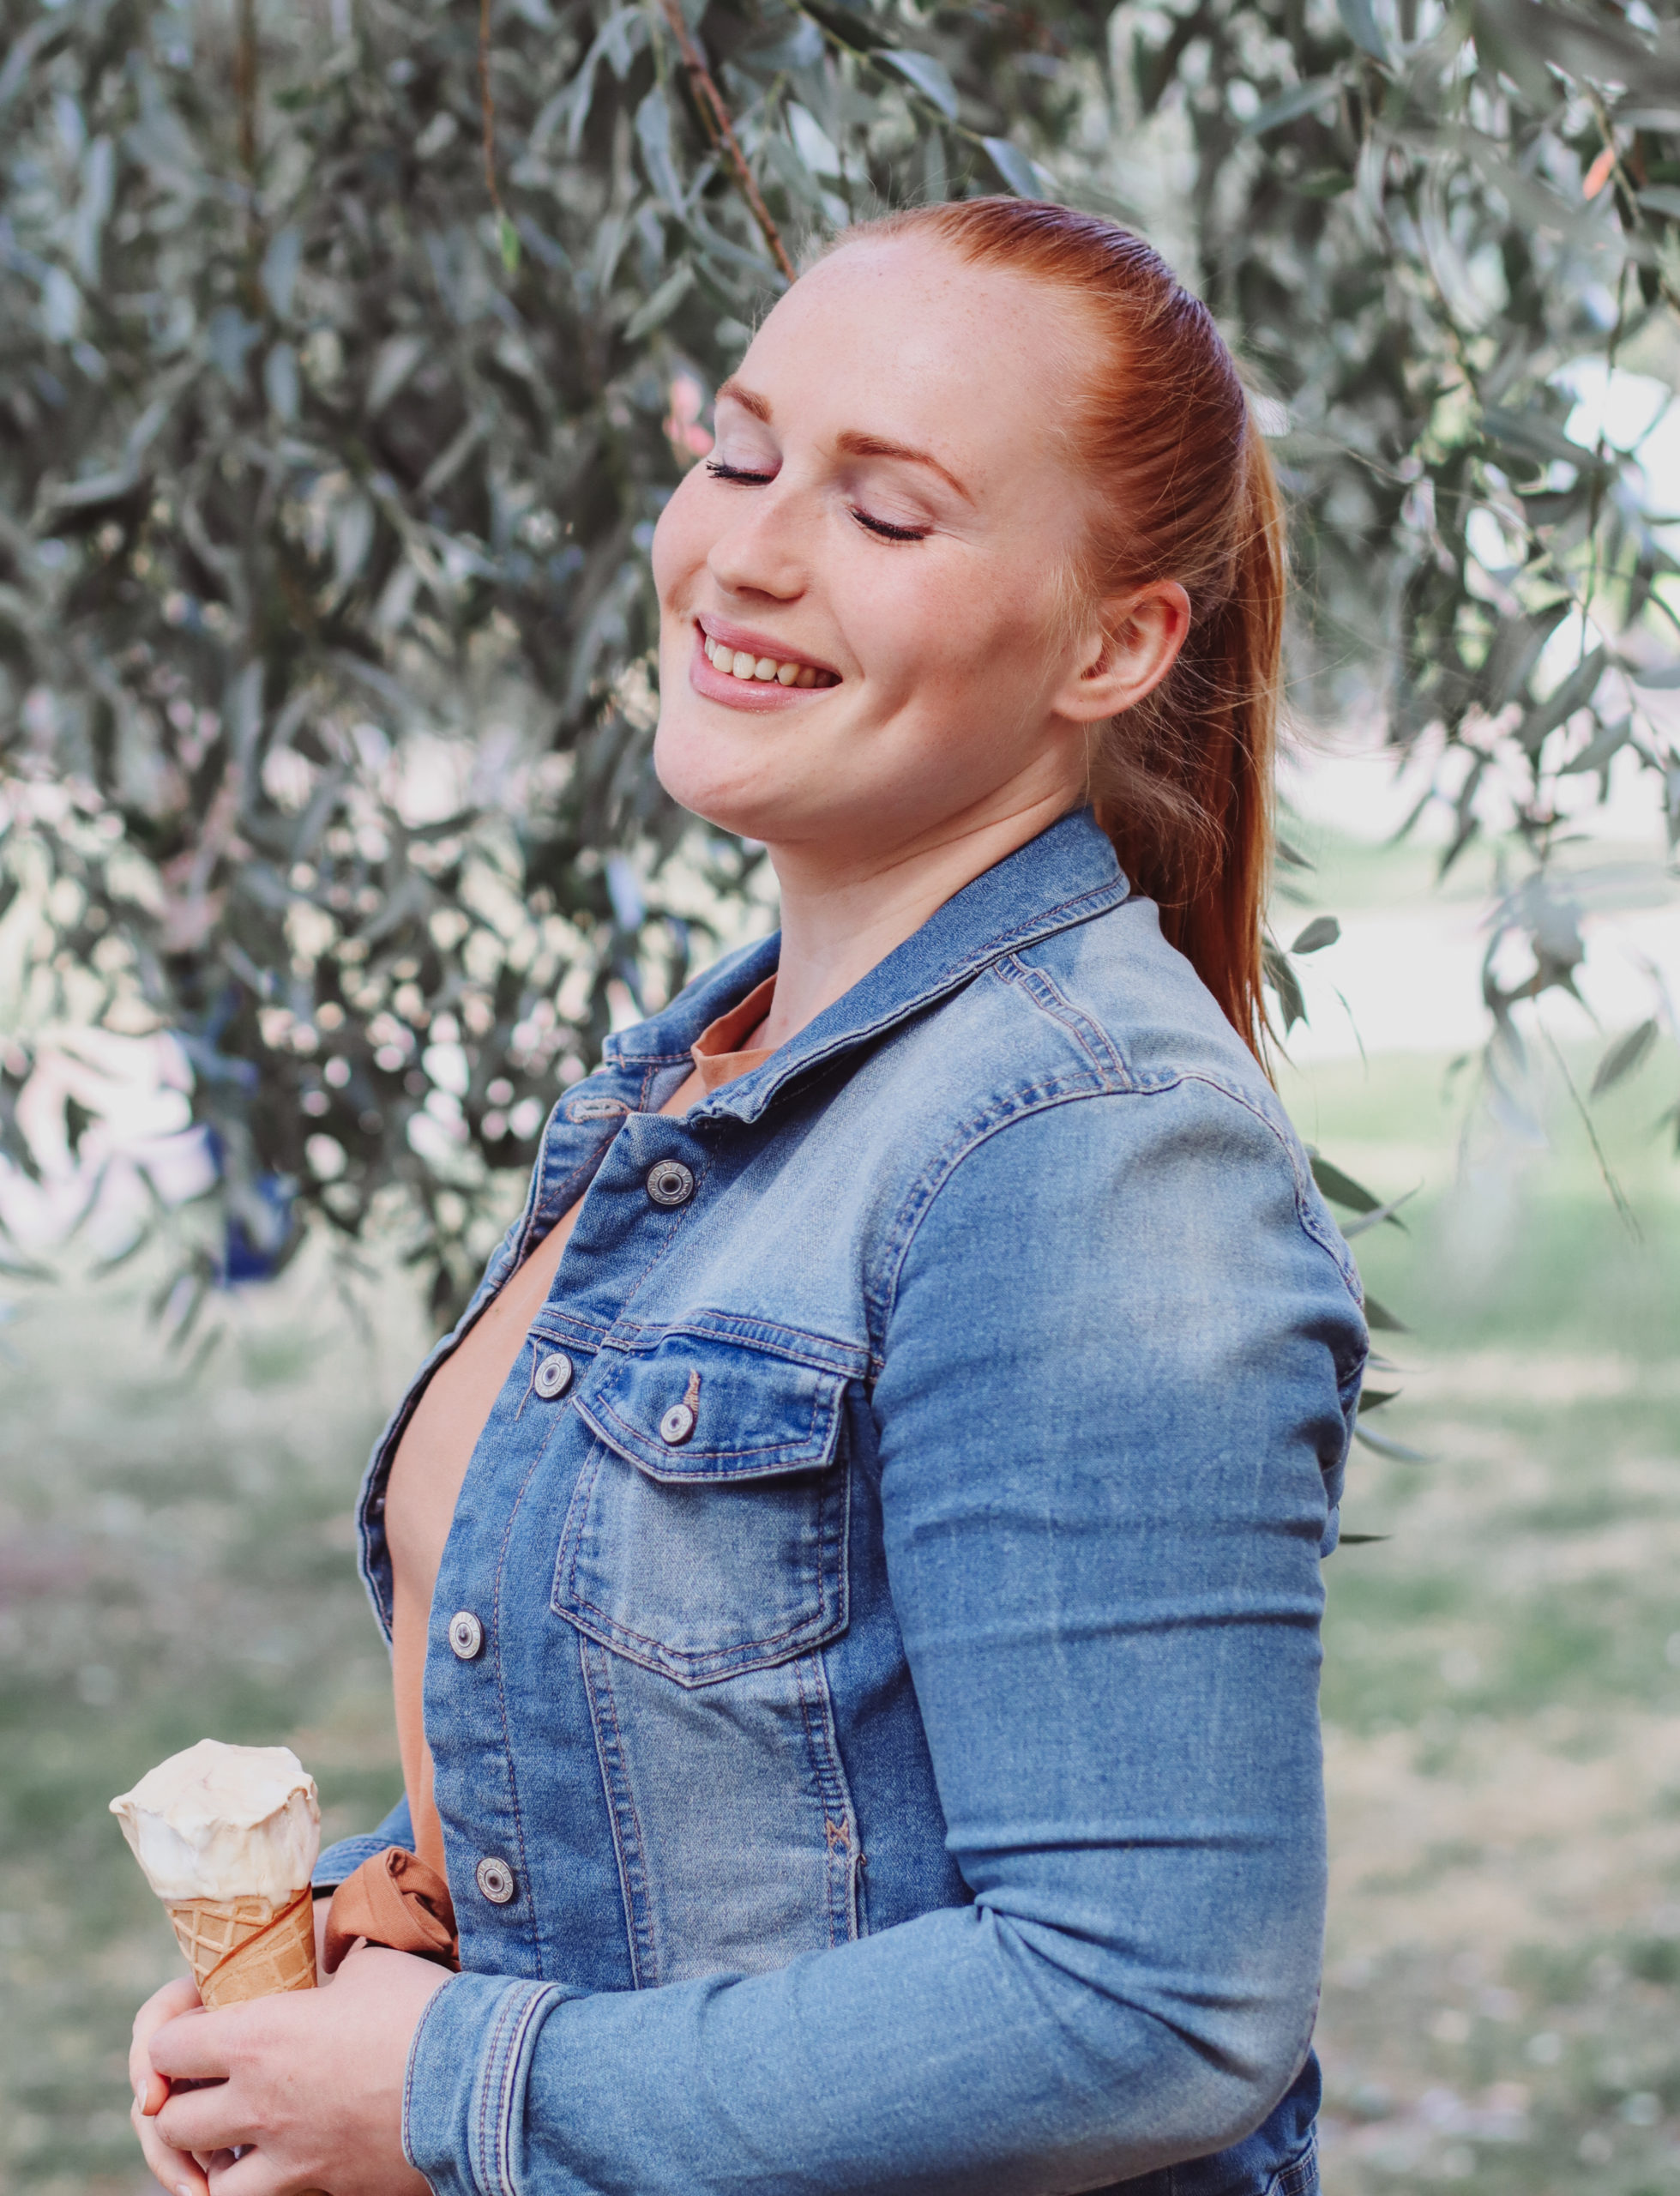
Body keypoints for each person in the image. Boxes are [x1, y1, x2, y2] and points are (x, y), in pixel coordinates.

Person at [129, 197, 1366, 2196]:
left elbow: (1145, 2006)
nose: (749, 551)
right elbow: (714, 1808)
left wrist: (454, 2088)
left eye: (887, 512)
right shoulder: (702, 1079)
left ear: (1114, 643)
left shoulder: (1086, 1146)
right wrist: (351, 1958)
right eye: (736, 450)